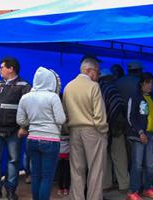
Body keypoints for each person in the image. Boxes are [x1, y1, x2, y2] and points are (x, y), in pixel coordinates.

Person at [63, 56, 108, 200]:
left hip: (74, 131)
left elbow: (64, 113)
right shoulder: (94, 86)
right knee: (95, 169)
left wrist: (67, 129)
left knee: (76, 169)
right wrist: (103, 131)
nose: (98, 76)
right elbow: (99, 115)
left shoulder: (68, 86)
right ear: (89, 70)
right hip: (93, 131)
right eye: (97, 72)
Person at [16, 67, 66, 200]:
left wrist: (32, 120)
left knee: (36, 175)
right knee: (47, 177)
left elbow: (20, 120)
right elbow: (61, 119)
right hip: (51, 140)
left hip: (32, 139)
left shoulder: (25, 97)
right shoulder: (53, 97)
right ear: (50, 81)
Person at [0, 57, 31, 200]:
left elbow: (28, 109)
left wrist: (23, 127)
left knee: (13, 160)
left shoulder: (24, 85)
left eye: (1, 67)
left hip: (15, 131)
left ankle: (10, 191)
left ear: (11, 68)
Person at [126, 72, 153, 200]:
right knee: (137, 164)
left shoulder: (151, 98)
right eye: (147, 82)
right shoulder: (135, 97)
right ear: (141, 84)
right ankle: (133, 191)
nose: (150, 85)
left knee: (150, 165)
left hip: (150, 135)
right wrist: (140, 132)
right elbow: (130, 117)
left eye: (152, 83)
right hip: (138, 136)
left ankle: (147, 188)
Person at [99, 69, 130, 192]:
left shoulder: (96, 89)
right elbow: (119, 107)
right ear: (109, 78)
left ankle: (106, 184)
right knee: (120, 157)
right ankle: (124, 185)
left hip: (101, 128)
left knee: (104, 157)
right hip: (115, 129)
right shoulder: (112, 89)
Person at [57, 124, 70, 196]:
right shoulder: (70, 131)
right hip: (68, 152)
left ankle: (60, 188)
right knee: (67, 170)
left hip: (59, 152)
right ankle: (66, 188)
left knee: (60, 170)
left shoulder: (57, 130)